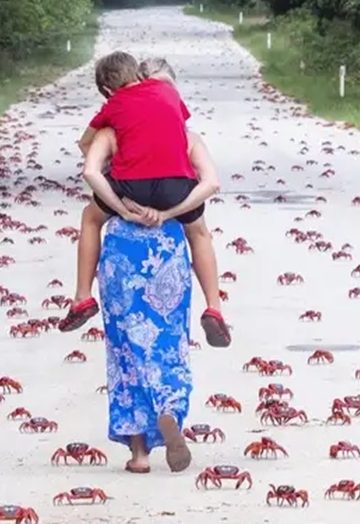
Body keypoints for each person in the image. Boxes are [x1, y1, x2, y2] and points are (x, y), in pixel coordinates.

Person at [57, 52, 230, 348]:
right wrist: (169, 211)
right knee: (199, 233)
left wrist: (121, 205)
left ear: (107, 91)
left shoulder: (113, 109)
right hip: (176, 188)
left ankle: (82, 296)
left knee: (90, 218)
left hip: (130, 189)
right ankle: (214, 306)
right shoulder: (169, 98)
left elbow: (87, 145)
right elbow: (183, 134)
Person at [86, 126, 201, 473]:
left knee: (126, 351)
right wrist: (167, 213)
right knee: (170, 343)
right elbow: (206, 200)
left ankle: (139, 454)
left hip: (123, 249)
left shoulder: (116, 138)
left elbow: (90, 173)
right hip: (168, 249)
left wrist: (121, 205)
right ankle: (169, 409)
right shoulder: (182, 139)